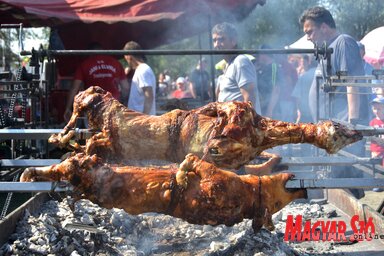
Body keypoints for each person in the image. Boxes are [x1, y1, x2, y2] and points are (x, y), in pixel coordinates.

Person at [299, 6, 368, 125]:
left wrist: (352, 124)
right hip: (330, 128)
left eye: (310, 32)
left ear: (324, 27)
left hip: (344, 129)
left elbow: (352, 83)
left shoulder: (343, 42)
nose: (308, 38)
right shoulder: (327, 48)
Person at [64, 42, 129, 122]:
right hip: (113, 105)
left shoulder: (84, 64)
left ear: (89, 53)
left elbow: (74, 88)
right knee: (113, 132)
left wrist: (67, 108)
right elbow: (125, 87)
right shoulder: (116, 63)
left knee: (92, 133)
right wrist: (125, 104)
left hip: (93, 106)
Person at [212, 22, 261, 114]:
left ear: (233, 41)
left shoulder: (241, 62)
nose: (216, 44)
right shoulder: (228, 65)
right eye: (214, 40)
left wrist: (245, 125)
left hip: (242, 126)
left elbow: (250, 99)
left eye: (221, 40)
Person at [123, 41, 156, 115]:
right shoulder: (141, 69)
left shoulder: (143, 70)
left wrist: (144, 118)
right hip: (137, 119)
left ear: (129, 56)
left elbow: (149, 95)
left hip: (142, 120)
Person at [255, 45, 282, 118]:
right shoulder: (262, 68)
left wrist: (270, 111)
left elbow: (276, 89)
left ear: (264, 54)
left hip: (271, 111)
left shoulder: (274, 67)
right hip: (261, 109)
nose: (258, 57)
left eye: (259, 54)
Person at [291, 55, 317, 123]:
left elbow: (297, 96)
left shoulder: (304, 76)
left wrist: (297, 110)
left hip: (306, 112)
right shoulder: (324, 76)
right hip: (322, 112)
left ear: (309, 62)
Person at [368, 97, 384, 192]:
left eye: (379, 108)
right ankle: (378, 183)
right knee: (376, 167)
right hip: (376, 149)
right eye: (375, 108)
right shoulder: (372, 123)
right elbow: (371, 138)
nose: (377, 111)